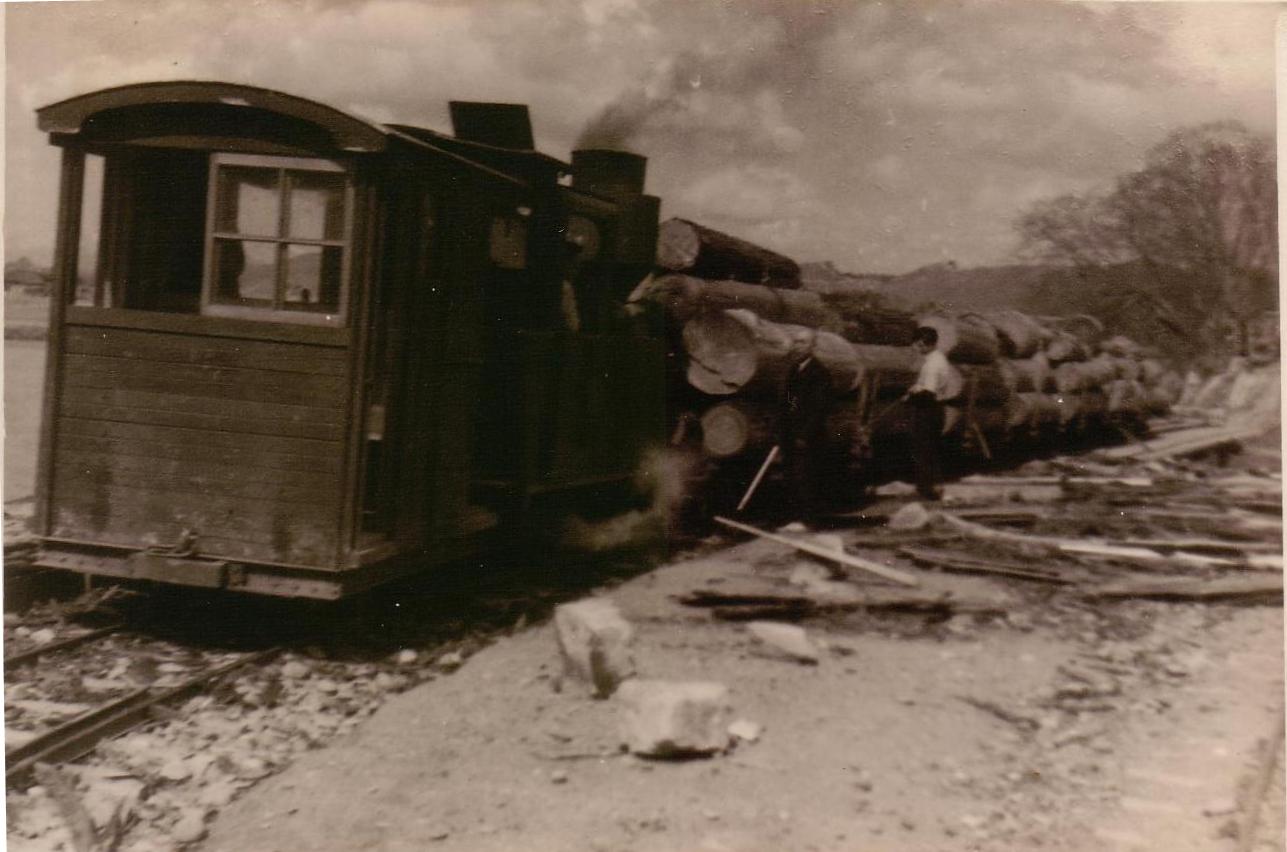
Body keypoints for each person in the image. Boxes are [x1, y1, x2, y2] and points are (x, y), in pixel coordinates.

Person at [780, 353, 832, 522]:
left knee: (806, 477)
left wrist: (805, 434)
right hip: (790, 432)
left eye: (802, 342)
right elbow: (789, 400)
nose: (797, 346)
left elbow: (820, 408)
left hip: (808, 435)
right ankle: (794, 516)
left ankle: (808, 519)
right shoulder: (795, 369)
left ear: (811, 346)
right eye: (796, 342)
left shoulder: (820, 372)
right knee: (792, 476)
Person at [905, 326, 953, 500]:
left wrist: (911, 396)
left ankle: (925, 491)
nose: (916, 349)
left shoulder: (932, 364)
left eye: (917, 345)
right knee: (931, 450)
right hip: (936, 409)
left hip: (928, 410)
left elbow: (929, 393)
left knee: (922, 450)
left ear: (923, 344)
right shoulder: (939, 359)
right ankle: (935, 488)